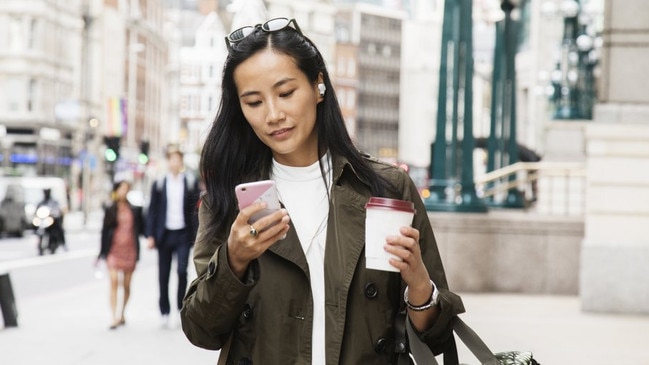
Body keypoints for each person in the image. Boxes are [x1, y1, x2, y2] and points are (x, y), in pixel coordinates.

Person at [180, 17, 465, 364]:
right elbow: (201, 330)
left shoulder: (386, 188)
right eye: (254, 102)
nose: (273, 114)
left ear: (318, 85)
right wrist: (234, 260)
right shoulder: (230, 201)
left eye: (285, 93)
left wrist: (420, 286)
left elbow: (435, 337)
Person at [145, 145, 200, 328]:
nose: (174, 162)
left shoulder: (190, 182)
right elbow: (152, 211)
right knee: (163, 275)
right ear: (168, 161)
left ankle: (179, 308)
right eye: (171, 159)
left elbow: (195, 211)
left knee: (182, 272)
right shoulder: (160, 184)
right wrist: (151, 235)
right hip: (164, 235)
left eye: (177, 159)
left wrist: (196, 234)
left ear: (181, 161)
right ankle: (164, 311)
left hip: (183, 234)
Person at [98, 180, 143, 330]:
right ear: (116, 190)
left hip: (129, 249)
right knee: (114, 281)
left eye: (126, 189)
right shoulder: (110, 209)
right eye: (121, 189)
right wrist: (102, 252)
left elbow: (141, 228)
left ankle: (122, 312)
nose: (123, 192)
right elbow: (104, 232)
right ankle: (113, 316)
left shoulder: (134, 210)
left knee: (126, 285)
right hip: (114, 249)